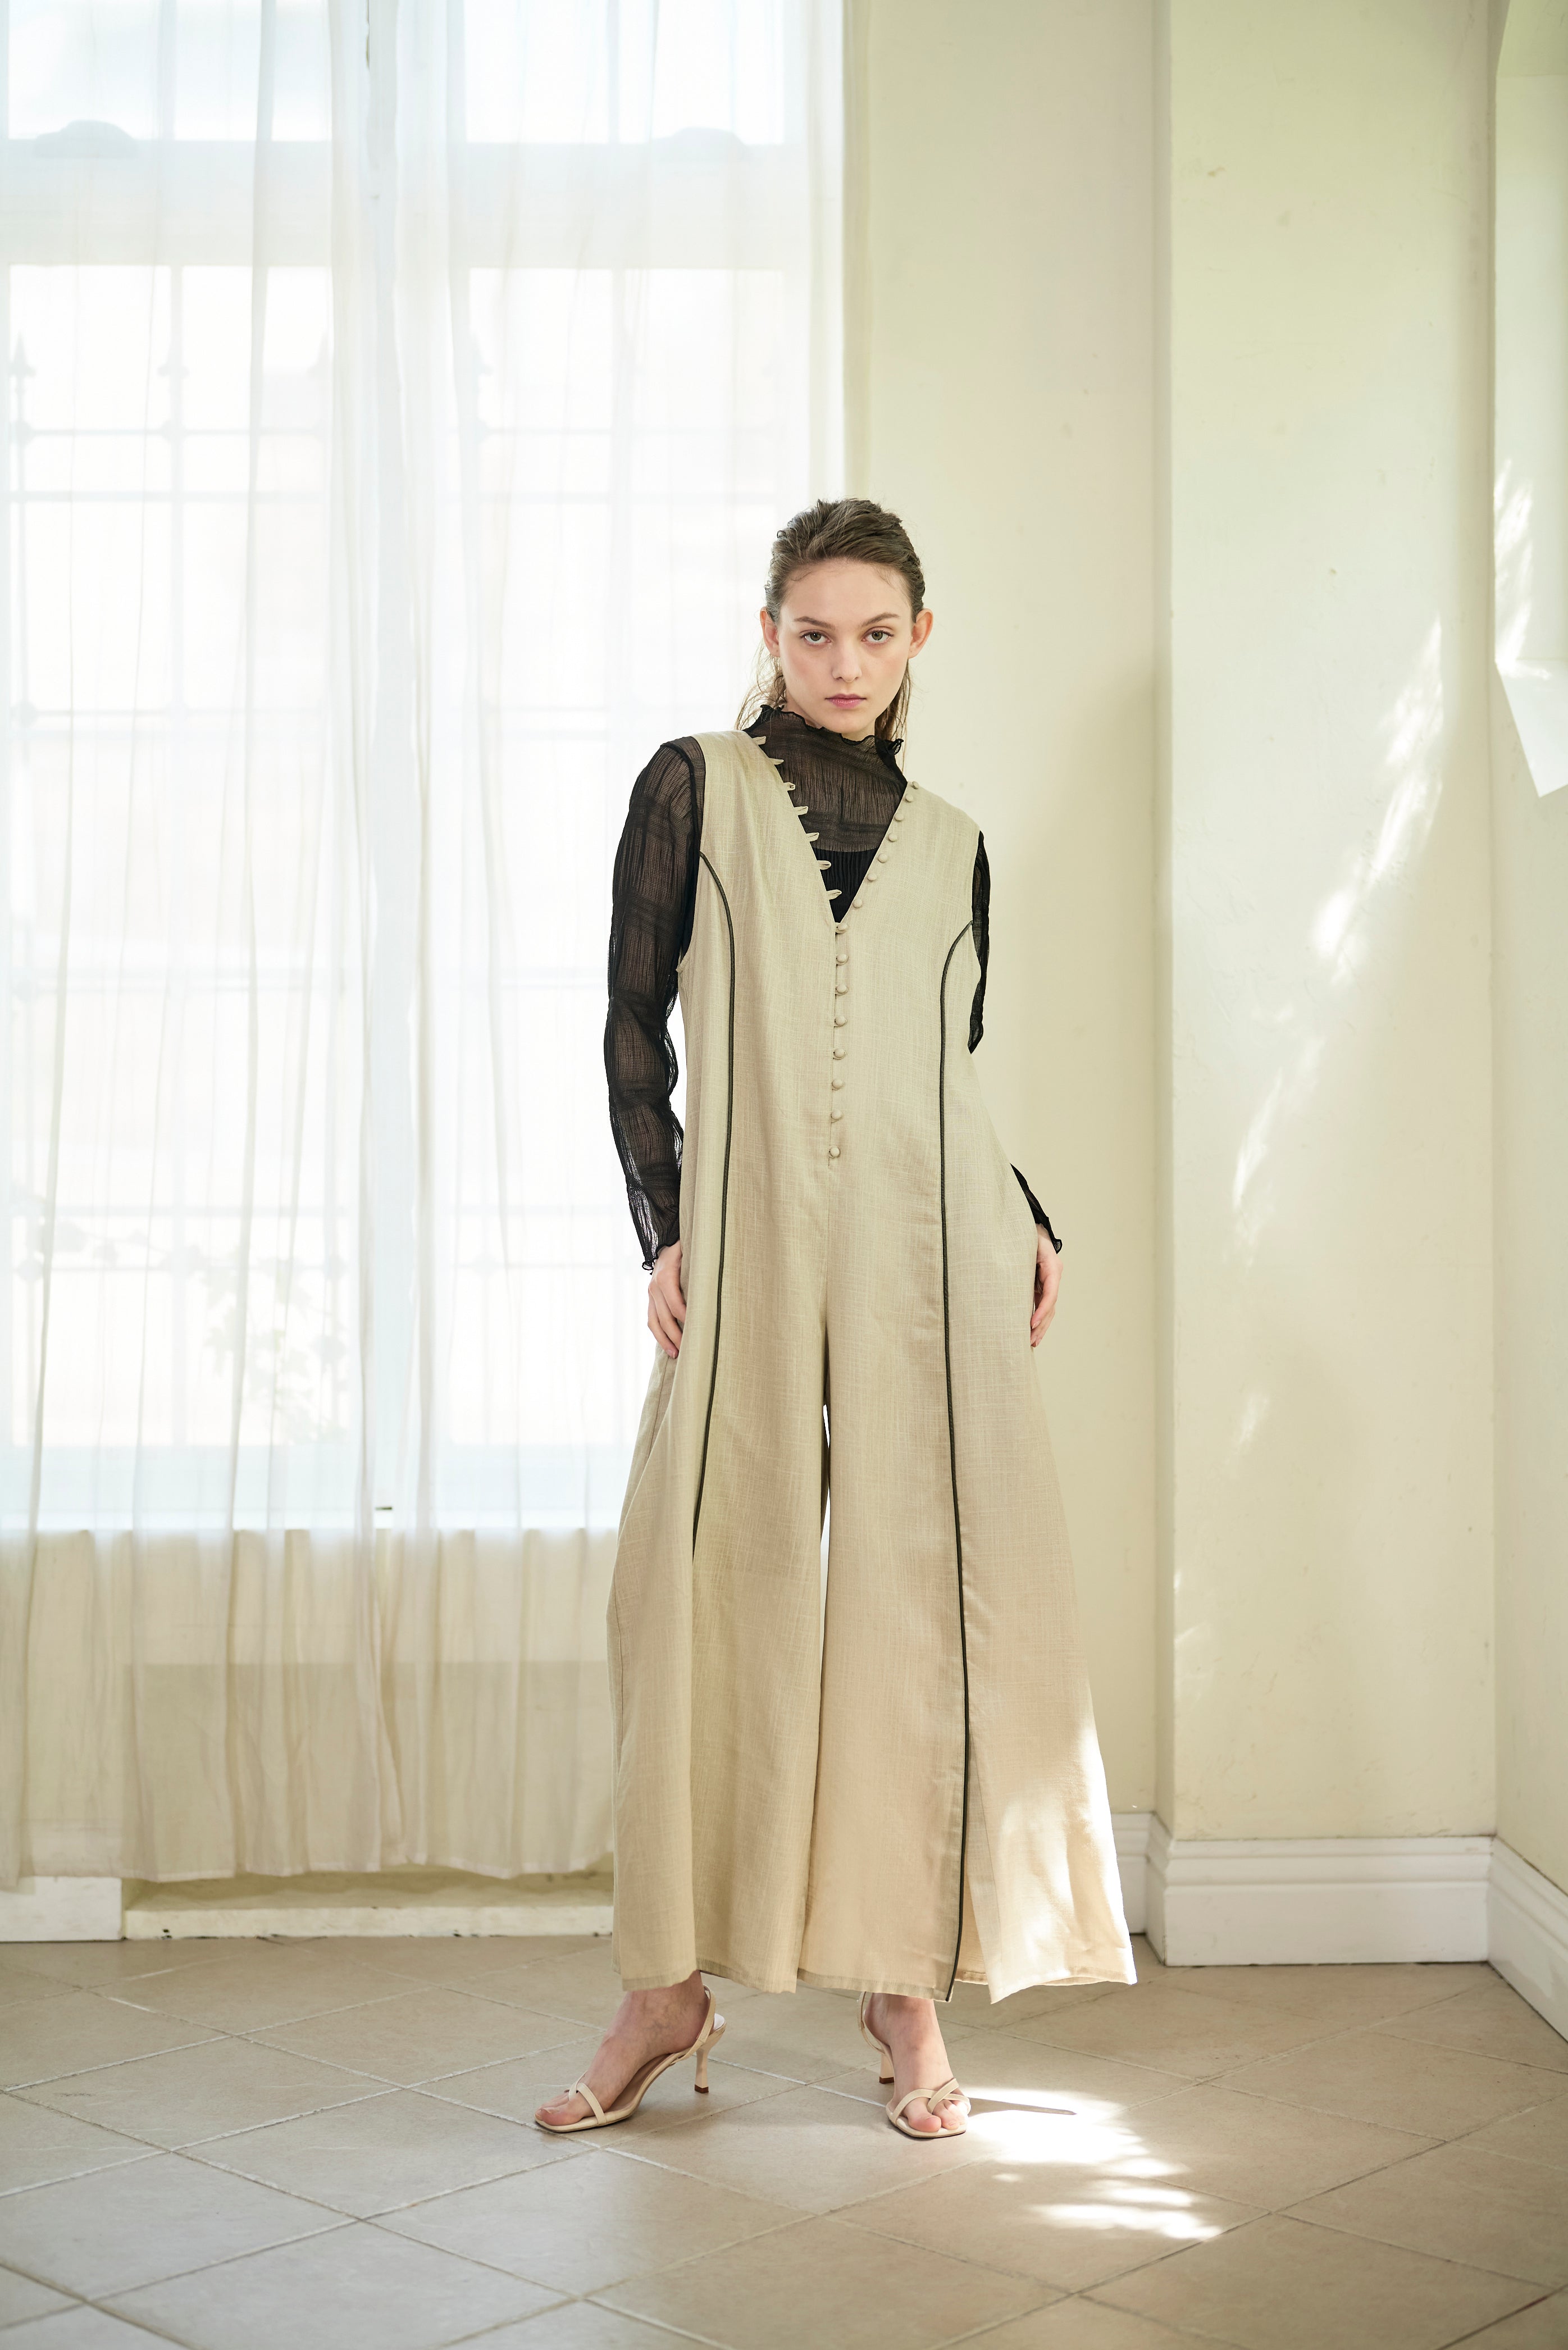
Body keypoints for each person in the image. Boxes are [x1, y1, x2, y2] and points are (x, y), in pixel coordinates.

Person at [535, 498, 1134, 2142]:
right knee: (696, 1585)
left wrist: (1027, 1214)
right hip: (744, 1236)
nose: (845, 663)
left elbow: (942, 1083)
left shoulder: (958, 843)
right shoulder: (694, 787)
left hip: (929, 1253)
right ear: (770, 633)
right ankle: (666, 1988)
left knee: (912, 1591)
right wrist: (664, 1223)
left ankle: (901, 1984)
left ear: (919, 638)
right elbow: (632, 1026)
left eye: (876, 634)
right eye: (814, 632)